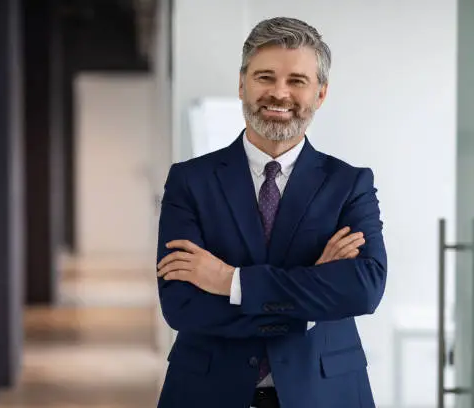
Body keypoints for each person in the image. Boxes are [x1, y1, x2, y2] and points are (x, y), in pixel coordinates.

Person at [155, 16, 387, 408]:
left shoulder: (349, 184)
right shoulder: (189, 181)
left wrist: (231, 281)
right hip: (207, 392)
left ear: (321, 93)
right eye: (265, 77)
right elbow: (182, 304)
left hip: (326, 393)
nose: (280, 93)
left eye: (297, 80)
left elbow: (363, 290)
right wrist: (311, 296)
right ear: (242, 83)